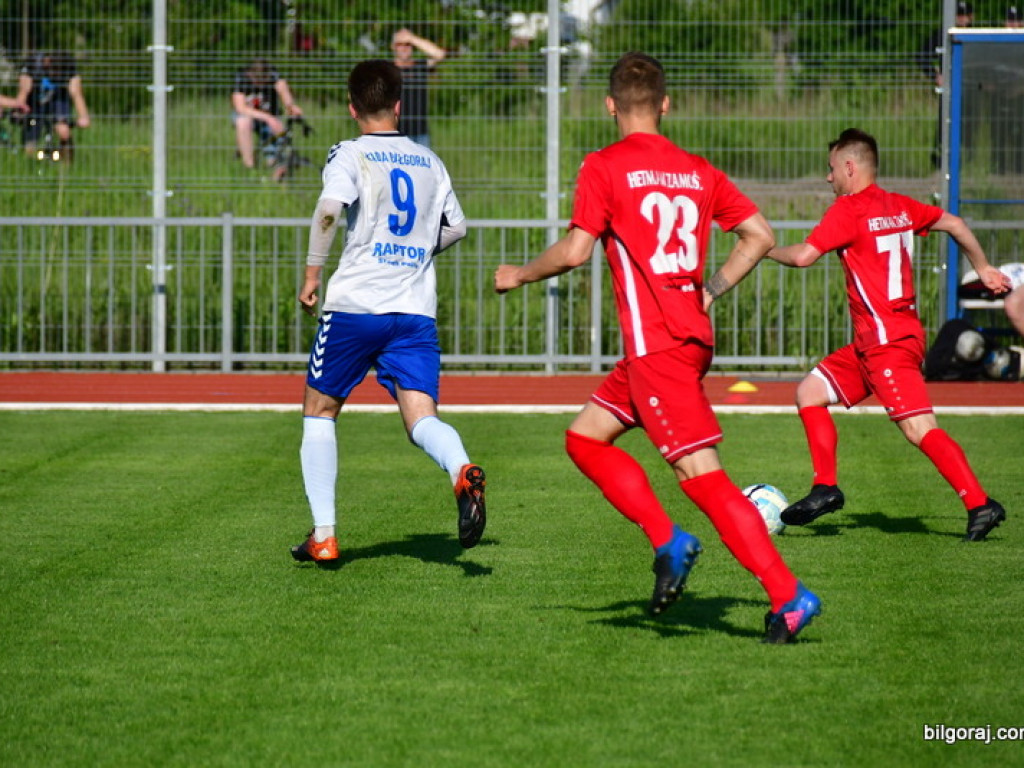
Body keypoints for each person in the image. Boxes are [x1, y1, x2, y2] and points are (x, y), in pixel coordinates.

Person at [493, 52, 821, 644]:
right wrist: (712, 289)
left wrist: (517, 274)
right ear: (665, 105)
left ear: (610, 105)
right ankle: (668, 540)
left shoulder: (604, 165)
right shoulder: (697, 170)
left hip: (657, 349)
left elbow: (574, 251)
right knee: (584, 437)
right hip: (680, 340)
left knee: (705, 479)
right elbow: (761, 236)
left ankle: (787, 594)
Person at [766, 128, 1011, 542]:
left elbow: (805, 257)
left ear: (849, 166)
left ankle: (979, 503)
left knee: (920, 428)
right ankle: (825, 487)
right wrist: (983, 266)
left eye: (831, 170)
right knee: (809, 392)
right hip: (877, 341)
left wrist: (763, 250)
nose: (828, 179)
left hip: (886, 344)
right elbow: (953, 222)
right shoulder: (897, 205)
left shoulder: (849, 209)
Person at [291, 59, 485, 563]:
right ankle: (461, 469)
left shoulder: (350, 153)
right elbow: (457, 227)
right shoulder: (429, 160)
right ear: (399, 106)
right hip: (414, 311)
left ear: (353, 108)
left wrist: (312, 274)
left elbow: (330, 210)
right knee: (421, 418)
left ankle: (325, 535)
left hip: (357, 305)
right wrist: (418, 252)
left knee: (320, 411)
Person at [231, 58, 303, 176]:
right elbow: (240, 107)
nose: (261, 84)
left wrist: (290, 106)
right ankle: (250, 167)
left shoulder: (273, 75)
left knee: (280, 133)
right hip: (251, 116)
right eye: (258, 81)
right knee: (243, 122)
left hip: (272, 115)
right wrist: (268, 118)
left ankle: (277, 168)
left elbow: (282, 87)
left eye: (264, 80)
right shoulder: (241, 78)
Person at [16, 51, 90, 161]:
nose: (55, 75)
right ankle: (29, 162)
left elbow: (77, 94)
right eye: (54, 71)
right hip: (35, 98)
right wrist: (18, 110)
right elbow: (24, 91)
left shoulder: (69, 67)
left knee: (63, 130)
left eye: (59, 72)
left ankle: (66, 167)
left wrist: (84, 116)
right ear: (47, 63)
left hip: (59, 98)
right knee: (31, 134)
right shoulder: (33, 64)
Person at [391, 28, 445, 147]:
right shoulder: (388, 69)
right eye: (400, 44)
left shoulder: (420, 66)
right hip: (395, 133)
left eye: (408, 44)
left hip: (420, 132)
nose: (404, 48)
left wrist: (412, 38)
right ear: (393, 47)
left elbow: (439, 54)